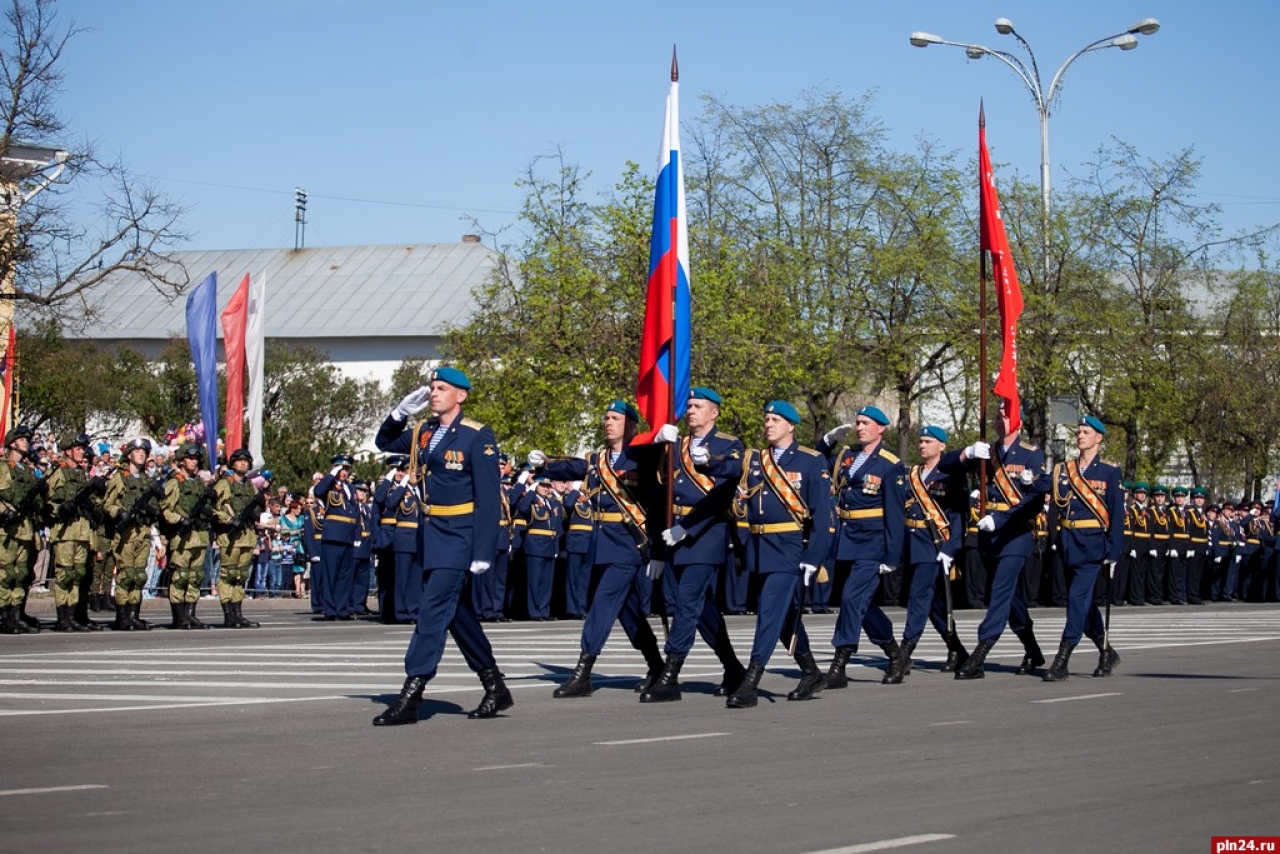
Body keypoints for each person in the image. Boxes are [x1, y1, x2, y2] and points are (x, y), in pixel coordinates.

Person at [371, 367, 513, 724]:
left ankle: (412, 693)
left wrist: (483, 551)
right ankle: (495, 685)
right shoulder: (423, 432)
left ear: (460, 396)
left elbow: (487, 499)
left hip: (460, 536)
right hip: (431, 534)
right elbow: (384, 443)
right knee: (457, 615)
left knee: (432, 611)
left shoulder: (476, 437)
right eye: (432, 387)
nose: (434, 393)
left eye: (442, 388)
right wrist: (399, 414)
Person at [705, 400, 835, 708]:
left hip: (790, 548)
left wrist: (813, 559)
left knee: (768, 612)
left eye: (776, 419)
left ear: (791, 425)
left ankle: (751, 681)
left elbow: (824, 517)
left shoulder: (811, 461)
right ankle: (811, 671)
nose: (769, 423)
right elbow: (725, 467)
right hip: (761, 548)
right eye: (766, 418)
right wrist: (704, 461)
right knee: (783, 616)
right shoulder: (753, 459)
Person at [545, 400, 666, 699]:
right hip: (601, 544)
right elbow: (572, 467)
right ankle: (657, 666)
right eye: (606, 417)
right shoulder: (596, 459)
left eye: (616, 418)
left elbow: (660, 488)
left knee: (601, 605)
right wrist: (542, 464)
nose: (608, 422)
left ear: (632, 425)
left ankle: (583, 672)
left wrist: (663, 440)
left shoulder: (642, 457)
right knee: (628, 613)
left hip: (627, 543)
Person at [641, 386, 747, 702]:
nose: (690, 411)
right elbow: (658, 494)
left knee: (687, 601)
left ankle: (671, 674)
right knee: (702, 610)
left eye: (698, 406)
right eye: (688, 406)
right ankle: (733, 668)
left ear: (713, 412)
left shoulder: (729, 445)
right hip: (675, 534)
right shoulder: (677, 445)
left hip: (705, 533)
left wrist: (688, 528)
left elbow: (725, 489)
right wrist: (655, 444)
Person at [952, 402, 1049, 680]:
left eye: (1005, 416)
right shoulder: (987, 452)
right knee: (1011, 598)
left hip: (1016, 534)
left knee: (1000, 591)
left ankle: (981, 651)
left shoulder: (1031, 454)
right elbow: (951, 468)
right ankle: (1032, 649)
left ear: (1017, 421)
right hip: (988, 535)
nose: (999, 420)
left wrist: (1002, 519)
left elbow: (1035, 499)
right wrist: (966, 454)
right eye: (996, 416)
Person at [819, 405, 906, 689]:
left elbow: (895, 513)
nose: (860, 427)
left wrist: (892, 554)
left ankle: (839, 662)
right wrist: (828, 441)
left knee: (851, 599)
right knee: (861, 604)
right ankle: (895, 653)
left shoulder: (889, 464)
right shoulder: (847, 455)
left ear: (881, 428)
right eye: (857, 422)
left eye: (866, 423)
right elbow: (816, 464)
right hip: (846, 539)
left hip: (873, 541)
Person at [884, 425, 970, 683]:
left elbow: (959, 517)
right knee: (933, 606)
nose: (922, 445)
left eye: (928, 441)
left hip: (934, 545)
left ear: (942, 446)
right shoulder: (913, 475)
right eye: (920, 441)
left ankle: (903, 656)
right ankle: (958, 651)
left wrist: (951, 548)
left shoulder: (951, 475)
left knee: (918, 598)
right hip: (914, 542)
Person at [1043, 416, 1124, 681]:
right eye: (1078, 432)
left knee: (1077, 600)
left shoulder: (1109, 472)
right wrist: (1054, 537)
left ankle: (1062, 659)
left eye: (1085, 432)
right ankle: (1106, 651)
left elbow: (1116, 513)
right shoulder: (1064, 469)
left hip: (1092, 545)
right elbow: (1055, 504)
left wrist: (1113, 550)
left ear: (1098, 438)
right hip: (1068, 542)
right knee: (1083, 605)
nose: (1080, 436)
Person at [43, 434, 103, 632]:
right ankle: (63, 617)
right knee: (65, 575)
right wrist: (60, 508)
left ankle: (72, 615)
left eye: (82, 449)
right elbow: (49, 500)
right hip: (65, 531)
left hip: (82, 531)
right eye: (77, 448)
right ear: (68, 450)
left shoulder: (81, 474)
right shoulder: (59, 473)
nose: (82, 451)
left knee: (78, 574)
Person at [102, 438, 164, 631]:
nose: (142, 455)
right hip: (127, 533)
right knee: (126, 575)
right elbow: (107, 504)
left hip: (143, 532)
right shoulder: (120, 478)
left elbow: (158, 505)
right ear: (129, 455)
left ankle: (134, 615)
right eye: (138, 451)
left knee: (139, 575)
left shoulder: (147, 480)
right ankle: (122, 617)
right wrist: (119, 512)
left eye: (144, 452)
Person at [160, 443, 217, 629]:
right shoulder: (174, 483)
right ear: (182, 461)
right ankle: (179, 617)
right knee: (181, 576)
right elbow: (165, 509)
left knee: (196, 576)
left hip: (199, 536)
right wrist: (179, 520)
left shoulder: (199, 483)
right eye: (190, 458)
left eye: (196, 459)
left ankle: (191, 614)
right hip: (182, 538)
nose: (194, 462)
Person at [212, 448, 264, 628]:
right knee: (229, 574)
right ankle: (228, 615)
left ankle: (238, 613)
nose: (243, 464)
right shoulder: (225, 484)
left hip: (247, 535)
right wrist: (229, 520)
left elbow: (257, 509)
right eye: (239, 461)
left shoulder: (250, 485)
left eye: (246, 461)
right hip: (230, 536)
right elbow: (214, 508)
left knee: (241, 576)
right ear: (232, 464)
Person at [313, 454, 358, 621]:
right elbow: (317, 491)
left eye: (346, 469)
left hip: (347, 536)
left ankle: (342, 608)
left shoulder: (350, 488)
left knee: (344, 576)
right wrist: (331, 475)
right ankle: (330, 609)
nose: (343, 472)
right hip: (333, 535)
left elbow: (354, 511)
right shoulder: (328, 486)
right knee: (330, 574)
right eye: (341, 469)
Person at [516, 475, 562, 620]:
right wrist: (530, 491)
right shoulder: (532, 500)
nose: (545, 488)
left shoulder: (552, 503)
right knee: (534, 581)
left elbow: (557, 526)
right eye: (542, 485)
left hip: (549, 544)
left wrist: (556, 546)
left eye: (548, 486)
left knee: (546, 582)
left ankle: (544, 610)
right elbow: (522, 509)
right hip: (535, 544)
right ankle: (533, 611)